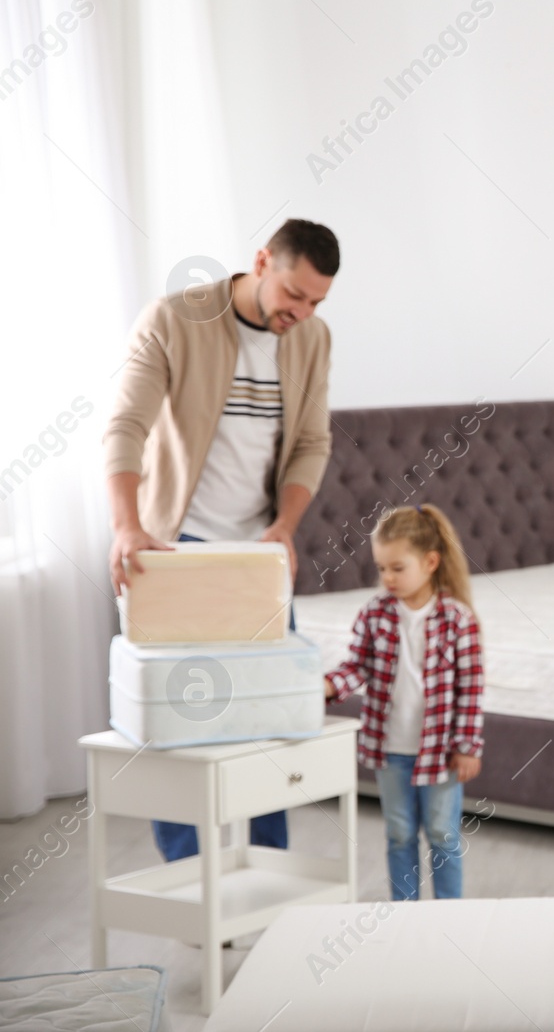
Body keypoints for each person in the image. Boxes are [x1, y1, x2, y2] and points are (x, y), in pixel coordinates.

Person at [104, 218, 339, 863]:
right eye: (294, 294)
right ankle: (187, 875)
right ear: (262, 261)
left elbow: (312, 445)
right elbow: (125, 425)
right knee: (176, 723)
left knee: (267, 720)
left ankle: (266, 868)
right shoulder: (175, 319)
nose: (303, 311)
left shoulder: (312, 338)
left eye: (316, 301)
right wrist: (128, 524)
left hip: (257, 557)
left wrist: (285, 526)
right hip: (175, 550)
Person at [324, 503, 484, 900]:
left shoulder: (458, 619)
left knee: (443, 833)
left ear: (430, 562)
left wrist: (467, 746)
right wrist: (326, 687)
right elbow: (356, 666)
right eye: (381, 568)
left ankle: (449, 912)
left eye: (398, 568)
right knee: (399, 835)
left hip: (441, 751)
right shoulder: (375, 613)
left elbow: (471, 689)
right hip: (390, 749)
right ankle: (403, 913)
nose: (387, 578)